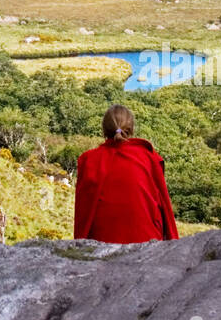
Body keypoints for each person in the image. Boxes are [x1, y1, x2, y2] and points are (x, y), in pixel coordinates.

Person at [73, 103, 178, 243]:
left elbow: (83, 212)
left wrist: (79, 246)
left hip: (102, 242)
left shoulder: (88, 160)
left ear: (104, 130)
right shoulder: (149, 157)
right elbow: (164, 205)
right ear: (131, 129)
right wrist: (173, 242)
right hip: (147, 241)